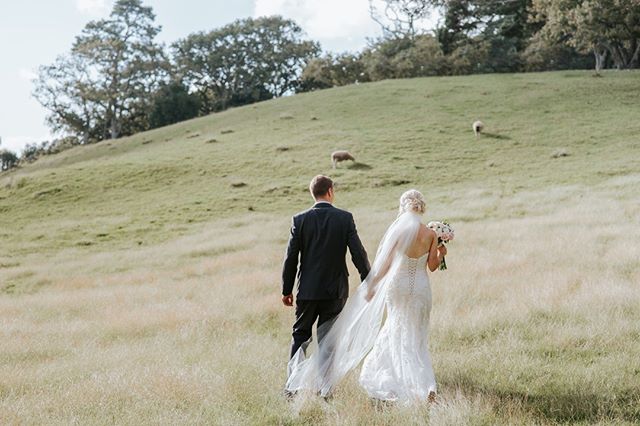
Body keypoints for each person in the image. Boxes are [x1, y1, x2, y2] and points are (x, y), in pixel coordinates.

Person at [285, 189, 447, 405]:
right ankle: (424, 384)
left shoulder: (399, 231)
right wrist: (441, 254)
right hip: (420, 287)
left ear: (404, 206)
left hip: (398, 286)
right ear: (421, 207)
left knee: (395, 327)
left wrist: (371, 285)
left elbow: (387, 263)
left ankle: (400, 379)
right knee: (416, 333)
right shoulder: (430, 234)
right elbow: (433, 267)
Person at [281, 175, 370, 381]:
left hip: (307, 290)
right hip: (335, 291)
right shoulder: (344, 218)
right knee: (328, 341)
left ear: (313, 193)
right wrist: (368, 281)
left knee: (300, 336)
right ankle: (325, 387)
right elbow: (358, 253)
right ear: (330, 191)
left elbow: (291, 258)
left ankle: (293, 386)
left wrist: (287, 290)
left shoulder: (299, 220)